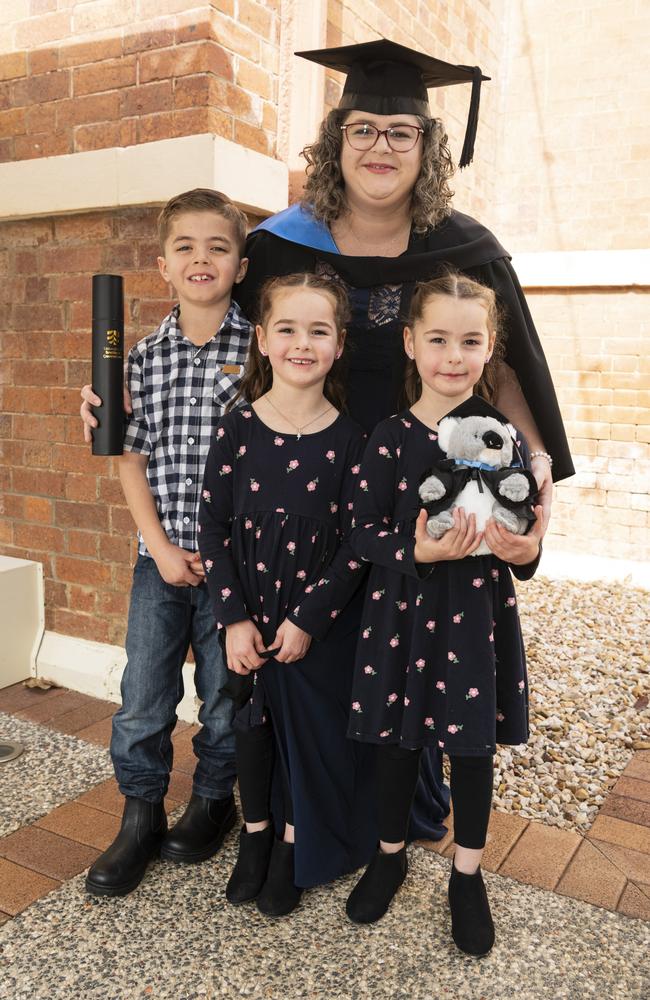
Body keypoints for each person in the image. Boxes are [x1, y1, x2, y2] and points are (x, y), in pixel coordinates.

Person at [80, 39, 574, 841]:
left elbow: (507, 366)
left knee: (403, 652)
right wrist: (120, 394)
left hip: (416, 493)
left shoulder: (465, 250)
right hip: (299, 489)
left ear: (429, 148)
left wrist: (536, 454)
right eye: (363, 129)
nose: (381, 146)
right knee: (307, 655)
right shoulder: (280, 242)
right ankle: (301, 816)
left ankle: (388, 823)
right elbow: (214, 328)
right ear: (336, 142)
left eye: (401, 132)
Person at [343, 272, 543, 956]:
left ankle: (467, 874)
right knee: (399, 742)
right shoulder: (391, 439)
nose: (453, 356)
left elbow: (522, 538)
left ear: (489, 349)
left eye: (470, 341)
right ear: (409, 343)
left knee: (469, 747)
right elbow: (361, 531)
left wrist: (527, 549)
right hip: (402, 610)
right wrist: (417, 550)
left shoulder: (503, 440)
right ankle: (391, 853)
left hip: (475, 617)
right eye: (437, 339)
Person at [85, 189, 252, 896]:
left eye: (218, 246)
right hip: (159, 557)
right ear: (162, 265)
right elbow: (130, 460)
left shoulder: (263, 350)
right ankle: (140, 812)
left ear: (241, 265)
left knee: (224, 697)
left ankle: (213, 801)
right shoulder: (139, 358)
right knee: (144, 694)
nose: (201, 258)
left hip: (236, 567)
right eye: (185, 246)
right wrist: (156, 544)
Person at [198, 272, 374, 915]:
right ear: (264, 341)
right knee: (250, 724)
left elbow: (358, 543)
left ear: (338, 344)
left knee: (305, 734)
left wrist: (307, 621)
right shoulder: (237, 427)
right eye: (288, 329)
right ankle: (255, 836)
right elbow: (211, 525)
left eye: (318, 330)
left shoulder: (353, 440)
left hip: (313, 625)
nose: (303, 343)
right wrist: (232, 617)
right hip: (250, 612)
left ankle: (294, 847)